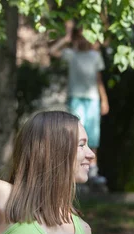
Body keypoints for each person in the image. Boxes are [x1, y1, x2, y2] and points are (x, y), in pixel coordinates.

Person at [49, 20, 109, 187]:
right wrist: (66, 38)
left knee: (93, 135)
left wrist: (104, 99)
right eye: (80, 36)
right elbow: (52, 51)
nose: (84, 40)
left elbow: (98, 79)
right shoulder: (71, 55)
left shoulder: (95, 56)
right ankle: (72, 167)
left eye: (86, 36)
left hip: (92, 99)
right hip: (76, 97)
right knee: (74, 134)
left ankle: (93, 171)